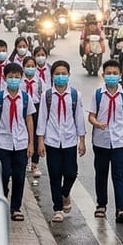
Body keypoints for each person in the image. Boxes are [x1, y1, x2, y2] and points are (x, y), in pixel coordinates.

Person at [88, 60, 123, 224]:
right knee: (101, 174)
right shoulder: (97, 94)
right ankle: (101, 205)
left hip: (119, 141)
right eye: (108, 73)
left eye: (115, 73)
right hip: (101, 141)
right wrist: (96, 123)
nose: (111, 76)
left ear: (120, 76)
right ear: (103, 75)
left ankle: (120, 209)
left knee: (118, 175)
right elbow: (91, 116)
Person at [36, 60, 86, 223]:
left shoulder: (74, 95)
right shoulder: (47, 95)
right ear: (52, 76)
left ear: (69, 75)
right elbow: (42, 118)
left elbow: (79, 118)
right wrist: (40, 140)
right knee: (55, 174)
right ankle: (57, 208)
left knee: (71, 173)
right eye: (57, 74)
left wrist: (82, 140)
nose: (60, 76)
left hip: (70, 140)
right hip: (52, 140)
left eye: (63, 73)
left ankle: (65, 193)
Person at [0, 63, 36, 222]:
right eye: (10, 77)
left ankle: (16, 208)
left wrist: (31, 143)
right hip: (3, 142)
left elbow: (29, 119)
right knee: (3, 174)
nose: (14, 80)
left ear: (21, 79)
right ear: (4, 78)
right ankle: (2, 199)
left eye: (17, 77)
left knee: (19, 177)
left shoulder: (26, 98)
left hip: (21, 143)